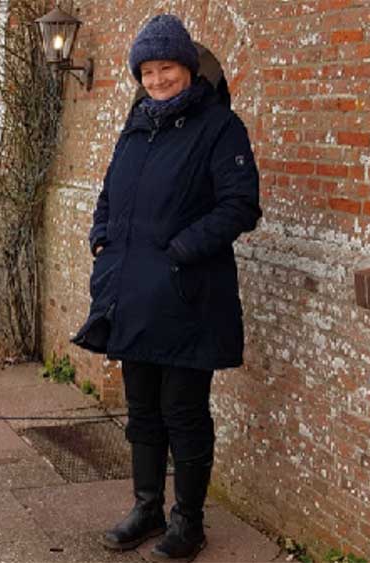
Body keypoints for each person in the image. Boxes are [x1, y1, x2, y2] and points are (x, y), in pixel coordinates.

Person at [71, 14, 261, 562]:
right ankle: (146, 507)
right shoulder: (136, 126)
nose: (157, 79)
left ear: (188, 67)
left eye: (167, 68)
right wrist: (100, 237)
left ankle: (189, 521)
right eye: (148, 71)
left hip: (186, 296)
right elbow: (110, 193)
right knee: (142, 412)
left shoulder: (220, 127)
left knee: (184, 412)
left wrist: (180, 250)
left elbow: (241, 206)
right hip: (131, 295)